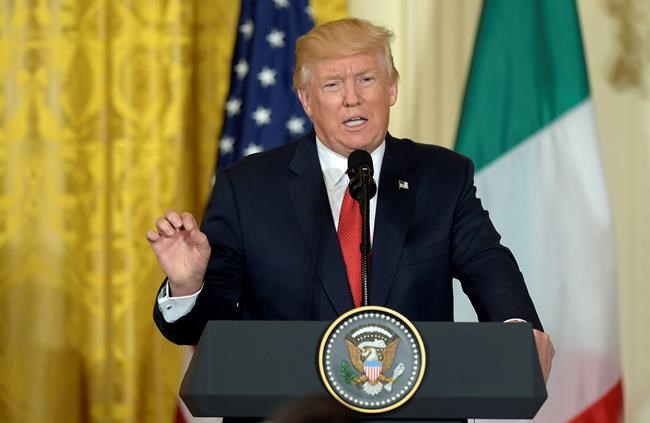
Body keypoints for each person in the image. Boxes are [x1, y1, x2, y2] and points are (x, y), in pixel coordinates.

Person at [147, 18, 554, 383]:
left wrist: (516, 329)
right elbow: (201, 330)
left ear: (391, 88)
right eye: (332, 85)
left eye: (366, 79)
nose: (352, 98)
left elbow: (487, 263)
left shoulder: (442, 177)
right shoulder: (247, 188)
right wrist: (188, 285)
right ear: (306, 100)